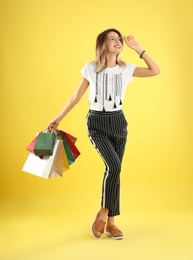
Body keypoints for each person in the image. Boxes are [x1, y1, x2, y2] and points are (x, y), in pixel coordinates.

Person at [48, 28, 160, 240]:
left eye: (119, 39)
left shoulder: (126, 69)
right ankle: (104, 213)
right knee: (114, 166)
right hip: (97, 123)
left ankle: (110, 223)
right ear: (103, 44)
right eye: (112, 38)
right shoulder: (90, 68)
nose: (118, 41)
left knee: (115, 171)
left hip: (118, 122)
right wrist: (58, 117)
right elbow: (75, 97)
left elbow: (156, 70)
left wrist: (138, 49)